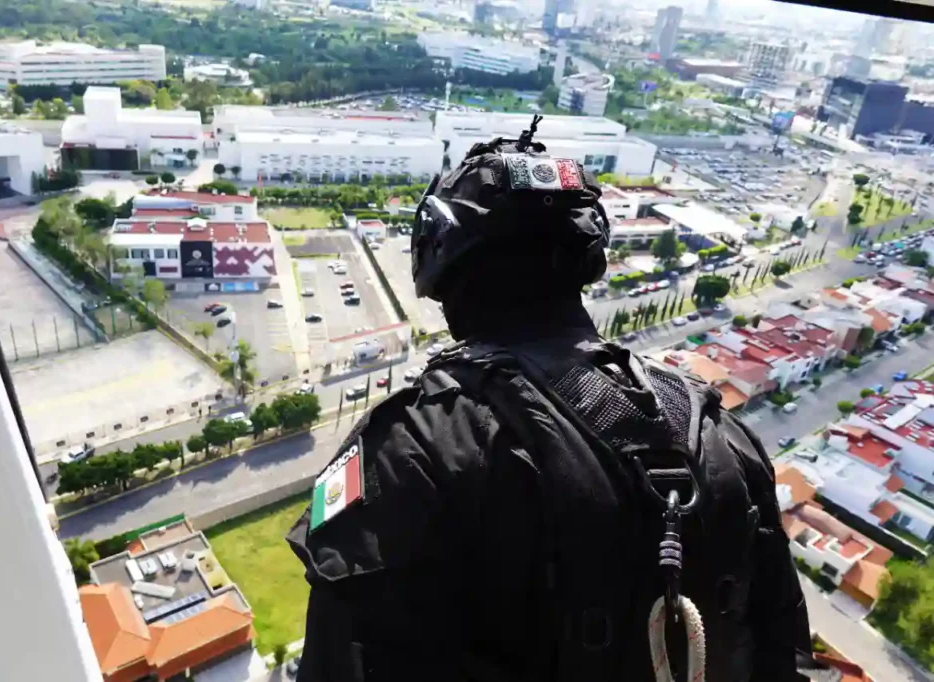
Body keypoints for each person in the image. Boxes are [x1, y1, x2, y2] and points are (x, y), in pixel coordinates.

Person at [288, 118, 813, 681]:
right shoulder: (720, 431)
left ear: (442, 264)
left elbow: (337, 661)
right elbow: (783, 649)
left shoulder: (411, 445)